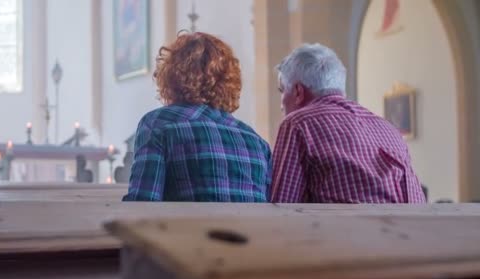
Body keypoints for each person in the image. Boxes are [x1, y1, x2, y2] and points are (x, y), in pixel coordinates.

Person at [123, 32, 271, 202]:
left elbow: (143, 206)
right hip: (251, 229)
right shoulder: (257, 142)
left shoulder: (158, 124)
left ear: (170, 76)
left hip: (188, 229)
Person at [270, 43, 426, 203]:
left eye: (282, 90)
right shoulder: (389, 129)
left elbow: (282, 207)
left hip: (341, 228)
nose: (281, 103)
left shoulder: (298, 124)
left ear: (298, 92)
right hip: (408, 225)